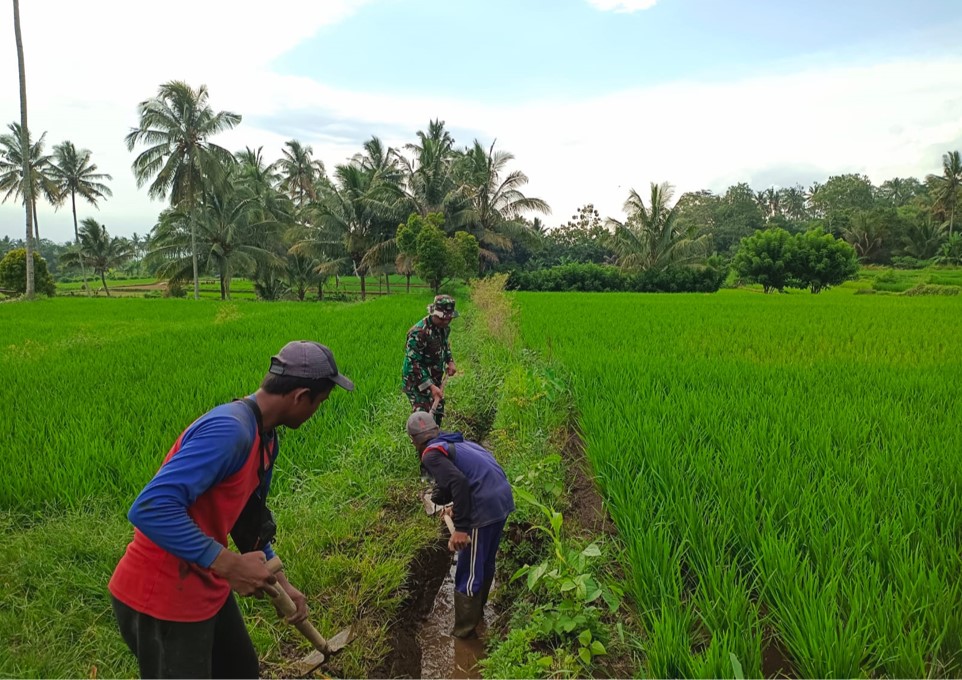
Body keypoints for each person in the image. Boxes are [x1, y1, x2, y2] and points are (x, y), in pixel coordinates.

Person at [108, 341, 354, 679]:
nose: (317, 411)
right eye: (320, 402)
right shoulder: (230, 430)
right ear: (300, 397)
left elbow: (246, 522)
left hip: (204, 582)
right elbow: (150, 508)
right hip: (162, 594)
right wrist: (231, 565)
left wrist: (283, 583)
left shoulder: (265, 438)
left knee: (240, 670)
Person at [406, 410, 514, 638]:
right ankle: (479, 613)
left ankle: (464, 632)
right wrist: (454, 508)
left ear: (413, 440)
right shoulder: (458, 443)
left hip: (484, 507)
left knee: (469, 569)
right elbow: (471, 478)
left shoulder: (430, 454)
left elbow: (460, 482)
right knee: (484, 560)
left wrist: (462, 529)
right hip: (501, 499)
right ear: (434, 430)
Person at [402, 294, 458, 426]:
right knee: (424, 417)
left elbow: (445, 344)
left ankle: (435, 440)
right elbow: (412, 364)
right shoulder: (419, 332)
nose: (446, 321)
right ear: (434, 313)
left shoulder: (443, 328)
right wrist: (431, 387)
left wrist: (450, 361)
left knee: (437, 411)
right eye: (443, 318)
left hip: (434, 377)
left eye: (449, 319)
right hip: (417, 381)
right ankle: (422, 444)